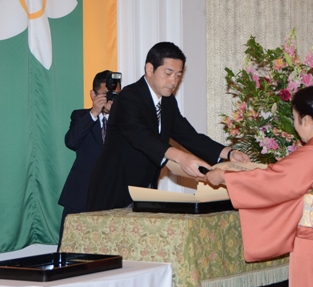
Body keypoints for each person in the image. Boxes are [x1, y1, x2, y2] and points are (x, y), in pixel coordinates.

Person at [205, 86, 313, 287]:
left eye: (295, 119)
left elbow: (272, 182)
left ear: (306, 120)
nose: (296, 126)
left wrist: (225, 177)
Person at [86, 42, 249, 211]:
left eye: (178, 75)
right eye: (168, 73)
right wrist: (182, 158)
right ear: (150, 69)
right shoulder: (128, 97)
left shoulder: (168, 102)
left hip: (144, 193)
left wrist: (229, 153)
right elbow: (142, 137)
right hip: (114, 190)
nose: (173, 81)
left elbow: (189, 136)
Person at [57, 70, 120, 249]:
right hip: (80, 195)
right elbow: (71, 141)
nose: (110, 100)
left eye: (115, 95)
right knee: (70, 249)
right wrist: (94, 112)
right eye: (105, 95)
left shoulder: (125, 122)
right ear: (93, 95)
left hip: (112, 197)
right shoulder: (80, 116)